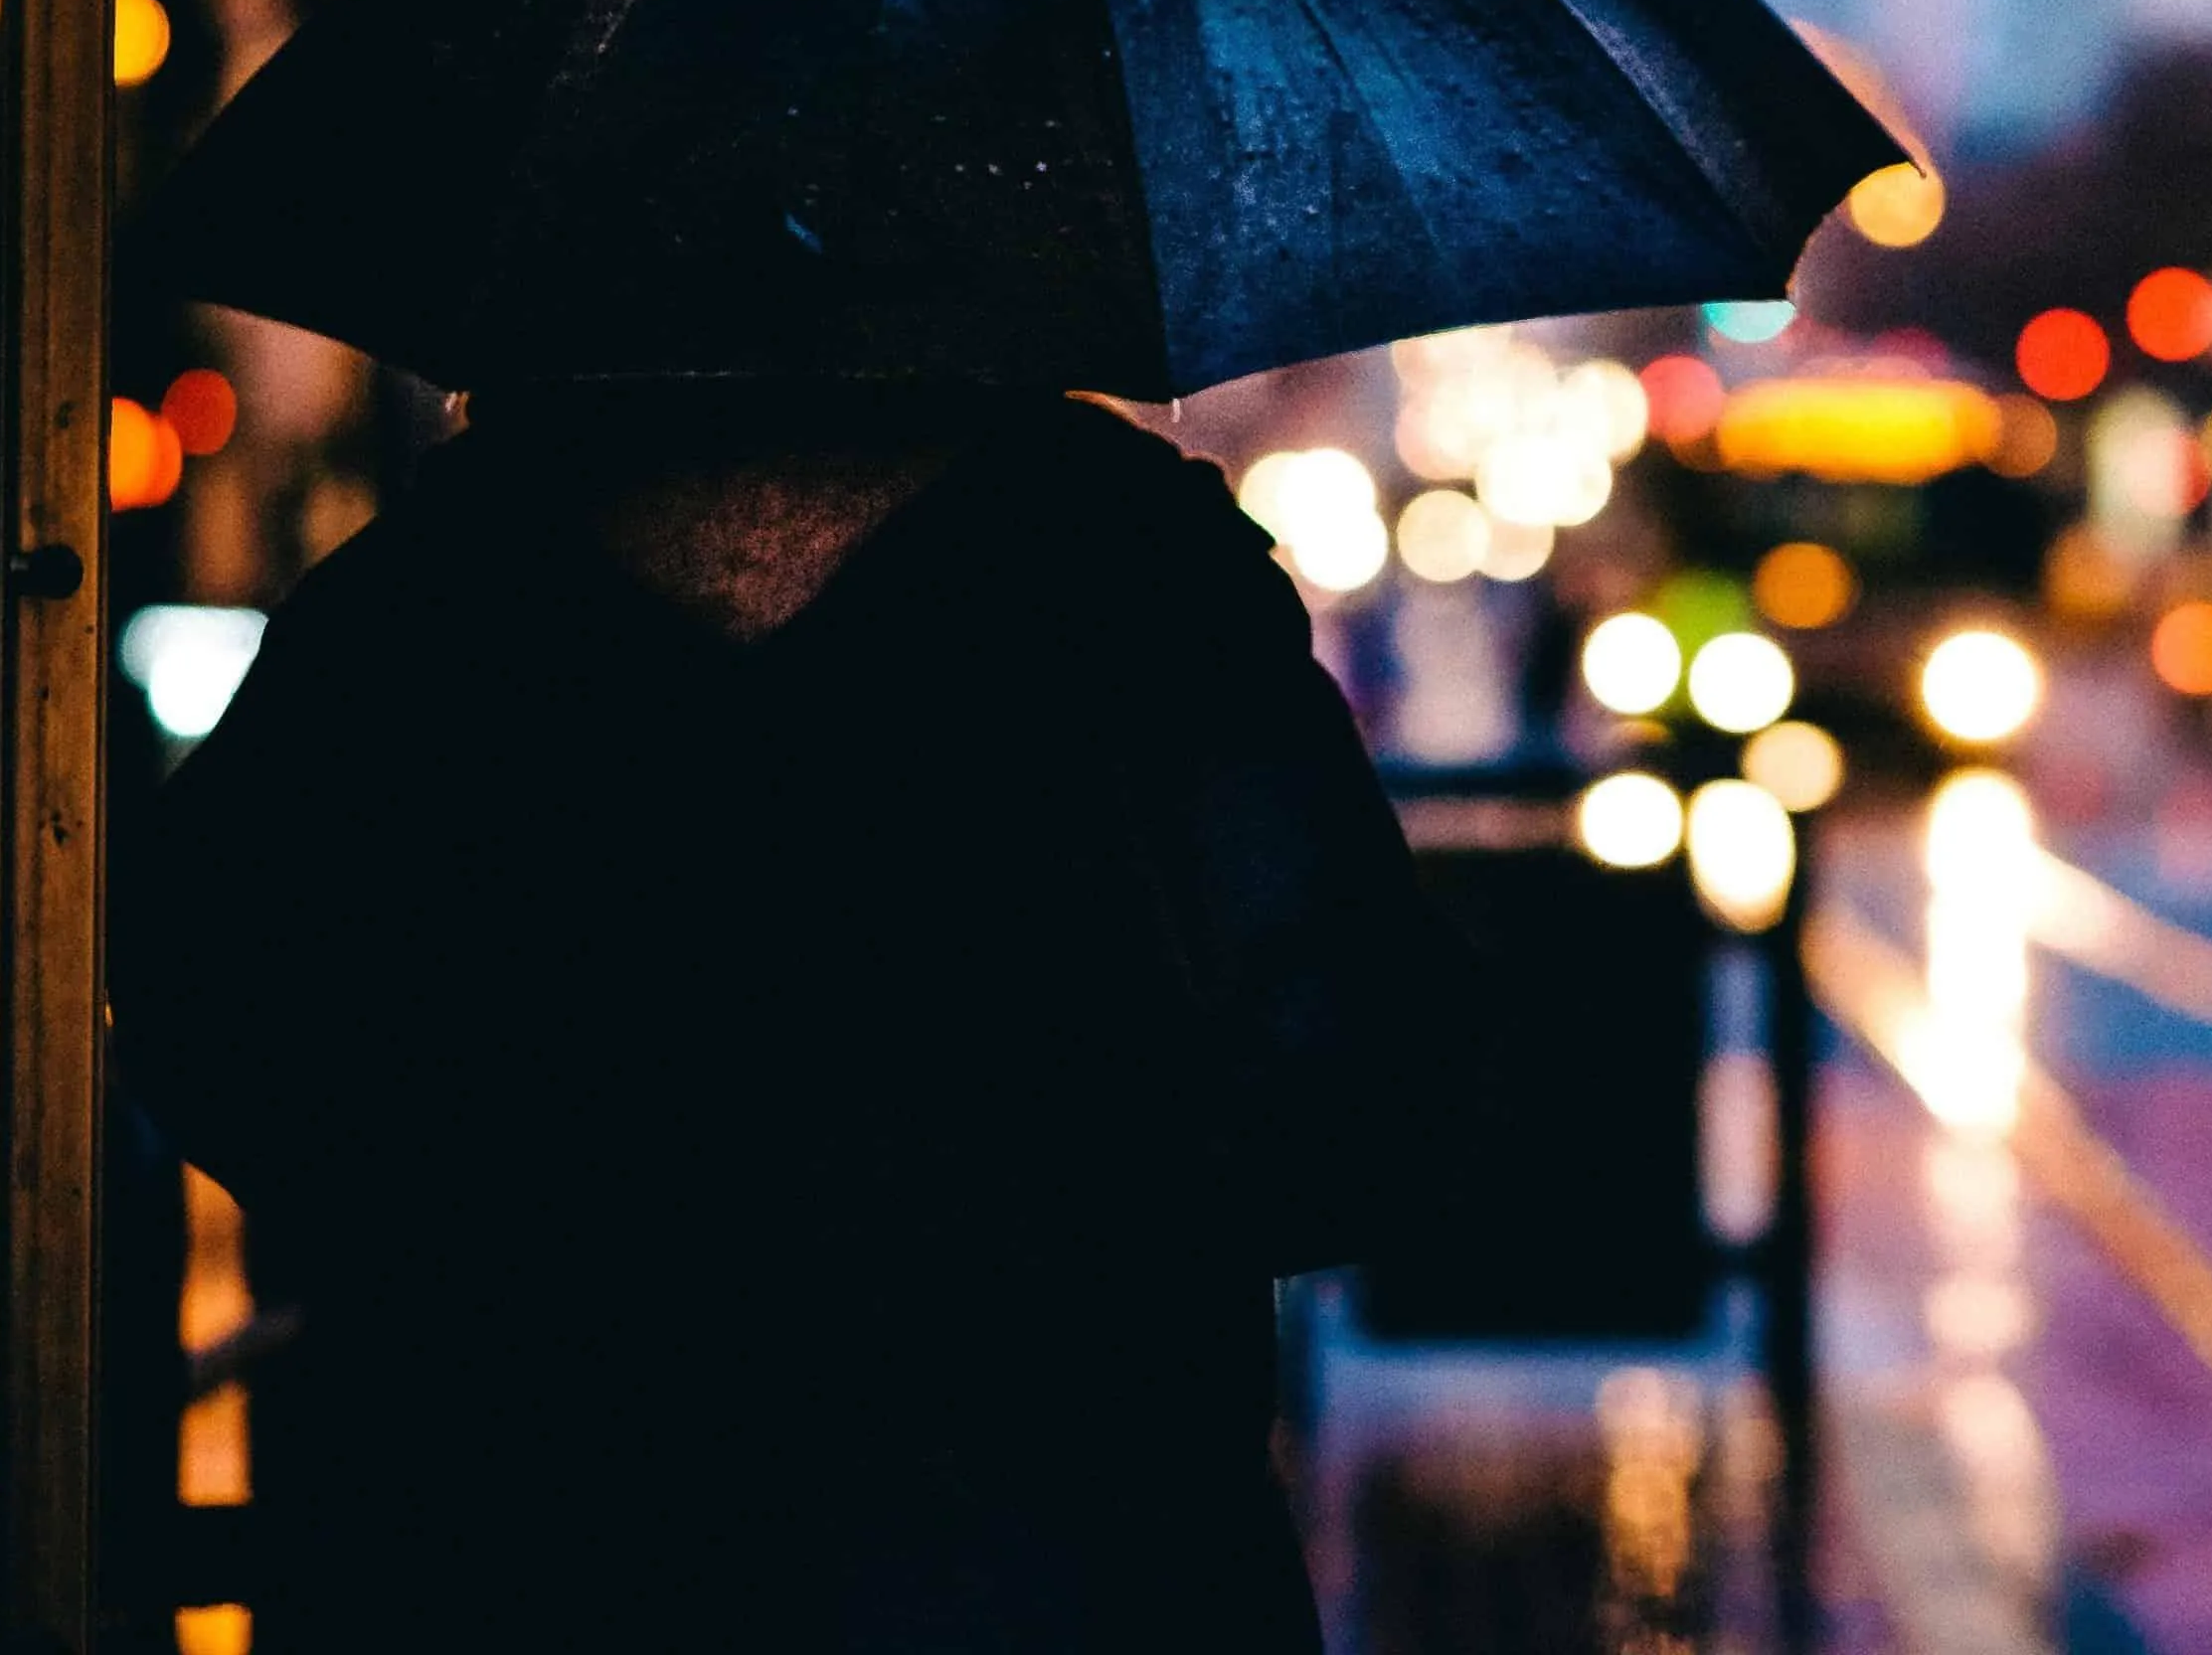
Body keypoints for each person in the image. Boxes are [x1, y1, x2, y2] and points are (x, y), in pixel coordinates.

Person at [111, 381, 1481, 1649]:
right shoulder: (1127, 564)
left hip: (527, 1535)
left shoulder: (432, 589)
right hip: (1058, 1542)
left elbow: (214, 1008)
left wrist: (500, 1227)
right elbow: (1358, 1082)